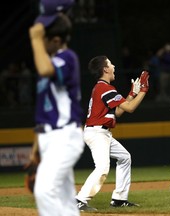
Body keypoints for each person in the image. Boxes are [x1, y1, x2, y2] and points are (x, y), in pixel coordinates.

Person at [75, 56, 149, 212]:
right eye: (110, 63)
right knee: (102, 168)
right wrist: (143, 91)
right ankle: (79, 200)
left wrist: (132, 93)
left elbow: (118, 112)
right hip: (97, 133)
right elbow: (130, 108)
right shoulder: (105, 88)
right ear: (105, 69)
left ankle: (119, 199)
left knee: (124, 157)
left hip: (101, 132)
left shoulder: (103, 87)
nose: (113, 66)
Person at [29, 10, 85, 216]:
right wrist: (37, 145)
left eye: (42, 39)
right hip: (50, 136)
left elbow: (44, 69)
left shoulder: (67, 58)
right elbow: (46, 107)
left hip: (64, 136)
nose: (38, 43)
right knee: (65, 199)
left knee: (44, 191)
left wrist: (35, 39)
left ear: (55, 40)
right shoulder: (51, 61)